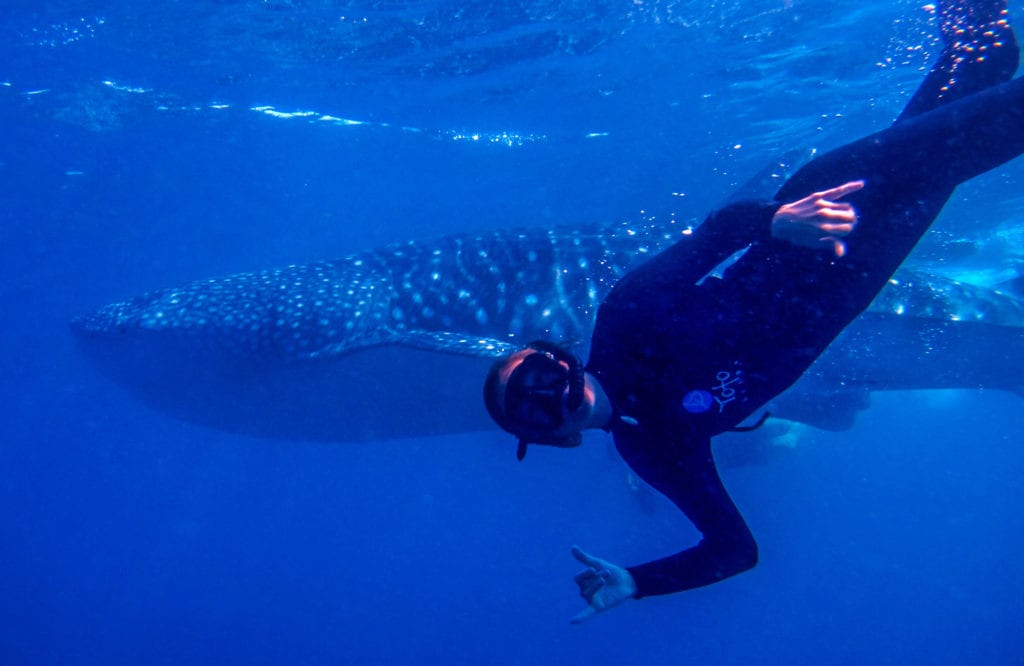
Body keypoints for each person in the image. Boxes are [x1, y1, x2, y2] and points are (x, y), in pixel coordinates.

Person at [482, 0, 1023, 623]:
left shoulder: (625, 317)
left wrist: (779, 220)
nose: (552, 398)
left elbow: (715, 234)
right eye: (534, 413)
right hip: (869, 259)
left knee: (997, 118)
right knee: (981, 73)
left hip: (825, 208)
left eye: (540, 381)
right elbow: (735, 550)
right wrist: (636, 582)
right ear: (560, 441)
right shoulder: (655, 453)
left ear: (561, 360)